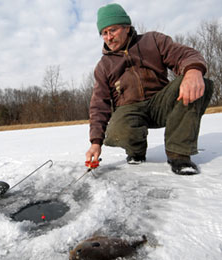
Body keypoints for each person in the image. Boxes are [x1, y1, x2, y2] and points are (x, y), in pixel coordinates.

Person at [85, 3, 213, 175]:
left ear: (126, 27)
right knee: (118, 129)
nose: (109, 37)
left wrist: (193, 71)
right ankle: (136, 151)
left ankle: (179, 155)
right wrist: (95, 142)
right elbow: (98, 106)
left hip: (161, 102)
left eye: (113, 30)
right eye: (104, 33)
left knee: (198, 81)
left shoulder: (152, 40)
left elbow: (184, 54)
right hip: (130, 110)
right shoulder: (103, 66)